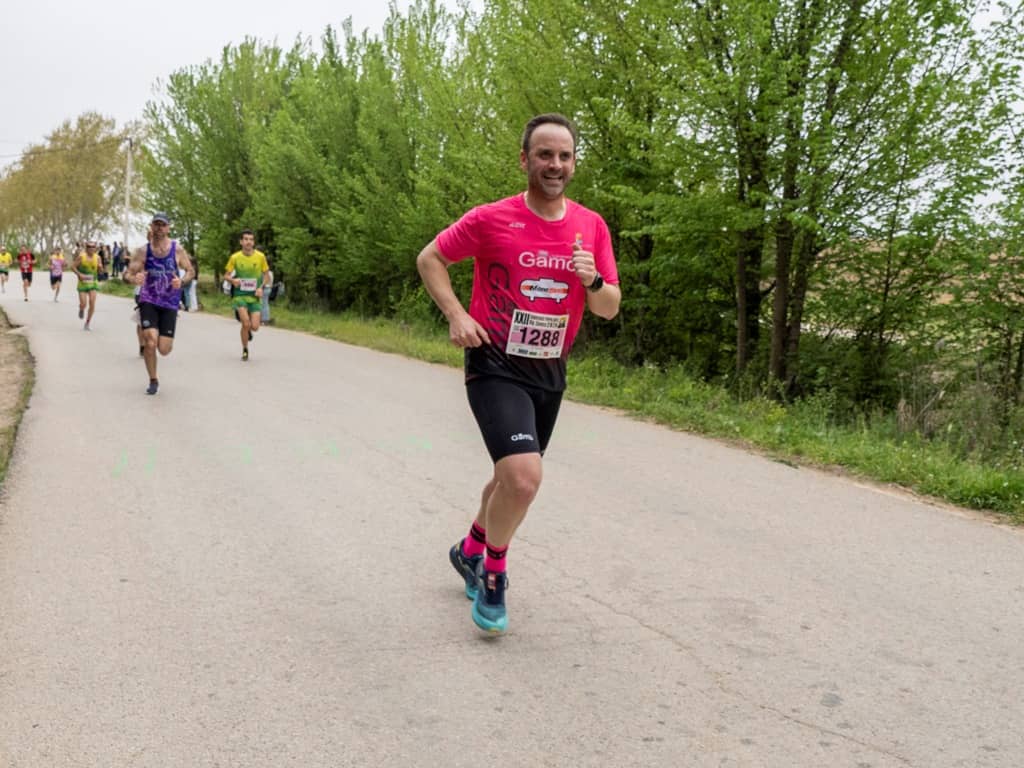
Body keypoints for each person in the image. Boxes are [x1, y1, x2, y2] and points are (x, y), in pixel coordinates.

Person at [416, 113, 621, 634]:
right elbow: (430, 258)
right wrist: (456, 315)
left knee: (509, 477)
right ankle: (493, 572)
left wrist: (593, 281)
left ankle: (469, 548)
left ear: (574, 163)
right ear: (525, 159)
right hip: (494, 361)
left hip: (549, 369)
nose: (555, 164)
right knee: (524, 479)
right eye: (545, 154)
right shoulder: (491, 219)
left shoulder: (591, 227)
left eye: (564, 156)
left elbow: (608, 308)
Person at [123, 212, 194, 394]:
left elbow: (190, 271)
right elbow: (127, 274)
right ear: (152, 227)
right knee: (150, 341)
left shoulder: (177, 250)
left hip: (170, 303)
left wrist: (182, 281)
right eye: (156, 224)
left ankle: (163, 343)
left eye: (163, 225)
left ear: (168, 228)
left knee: (164, 349)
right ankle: (153, 379)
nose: (159, 228)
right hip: (149, 300)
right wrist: (133, 279)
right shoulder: (143, 251)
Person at [223, 229, 270, 361]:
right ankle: (245, 349)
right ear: (241, 242)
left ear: (253, 242)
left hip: (255, 296)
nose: (248, 242)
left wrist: (261, 287)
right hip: (240, 295)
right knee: (245, 323)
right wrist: (233, 280)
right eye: (246, 239)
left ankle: (248, 330)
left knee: (254, 327)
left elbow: (267, 276)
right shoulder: (235, 257)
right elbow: (226, 275)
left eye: (251, 239)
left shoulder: (260, 257)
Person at [73, 240, 101, 329]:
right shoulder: (81, 257)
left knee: (92, 302)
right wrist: (79, 274)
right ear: (86, 248)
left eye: (93, 247)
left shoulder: (98, 258)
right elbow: (73, 267)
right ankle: (81, 309)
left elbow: (100, 271)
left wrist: (100, 268)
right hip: (83, 283)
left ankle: (87, 323)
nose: (91, 248)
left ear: (95, 248)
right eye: (89, 247)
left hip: (93, 282)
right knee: (83, 304)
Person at [260, 258, 273, 324]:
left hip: (264, 289)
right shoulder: (270, 272)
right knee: (265, 304)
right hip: (268, 289)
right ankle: (265, 318)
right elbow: (271, 283)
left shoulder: (265, 272)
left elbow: (266, 281)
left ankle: (264, 319)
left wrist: (261, 287)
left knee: (263, 304)